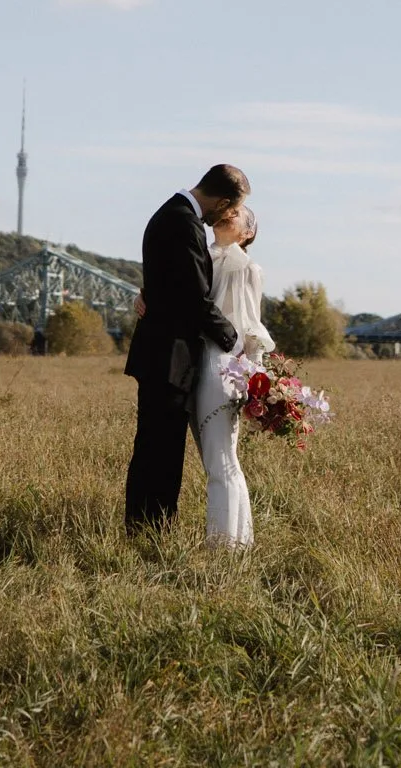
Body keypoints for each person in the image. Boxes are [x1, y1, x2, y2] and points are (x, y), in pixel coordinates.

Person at [122, 164, 247, 533]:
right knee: (160, 451)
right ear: (223, 201)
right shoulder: (182, 222)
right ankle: (151, 529)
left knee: (155, 447)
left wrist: (148, 295)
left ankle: (147, 527)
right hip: (169, 357)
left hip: (164, 355)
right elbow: (193, 297)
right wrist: (234, 341)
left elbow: (170, 284)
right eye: (229, 210)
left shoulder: (171, 214)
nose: (226, 217)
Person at [196, 203, 275, 546]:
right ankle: (237, 541)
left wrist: (258, 381)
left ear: (248, 233)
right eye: (228, 207)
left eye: (239, 213)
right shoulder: (201, 256)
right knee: (218, 460)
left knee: (222, 460)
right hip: (196, 365)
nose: (230, 212)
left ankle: (226, 546)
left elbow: (252, 330)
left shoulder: (247, 268)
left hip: (222, 369)